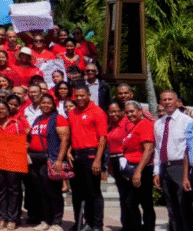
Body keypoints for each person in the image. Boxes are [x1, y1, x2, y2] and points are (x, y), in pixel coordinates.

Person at [69, 84, 108, 231]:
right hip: (76, 156)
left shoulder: (97, 112)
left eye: (82, 95)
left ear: (88, 95)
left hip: (91, 155)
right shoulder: (72, 113)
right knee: (77, 193)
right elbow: (72, 134)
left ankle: (97, 225)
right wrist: (68, 151)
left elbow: (103, 138)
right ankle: (82, 222)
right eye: (76, 96)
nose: (79, 98)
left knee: (93, 192)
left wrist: (98, 160)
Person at [27, 93, 69, 231]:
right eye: (43, 103)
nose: (45, 105)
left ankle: (57, 222)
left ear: (53, 105)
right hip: (35, 160)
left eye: (48, 103)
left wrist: (59, 160)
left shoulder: (58, 119)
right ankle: (46, 220)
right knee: (42, 192)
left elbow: (64, 140)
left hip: (49, 159)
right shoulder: (38, 119)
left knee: (53, 192)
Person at [154, 90, 193, 231]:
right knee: (171, 207)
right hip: (165, 168)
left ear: (177, 101)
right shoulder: (158, 124)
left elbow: (189, 148)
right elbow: (158, 149)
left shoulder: (187, 121)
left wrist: (186, 174)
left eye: (170, 99)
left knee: (184, 206)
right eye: (164, 100)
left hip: (181, 167)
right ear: (161, 103)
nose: (167, 102)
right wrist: (156, 172)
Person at [115, 100, 155, 231]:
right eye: (127, 112)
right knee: (134, 203)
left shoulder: (144, 124)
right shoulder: (133, 126)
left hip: (141, 169)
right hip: (132, 169)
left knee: (140, 203)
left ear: (139, 111)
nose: (130, 114)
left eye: (132, 111)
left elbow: (148, 149)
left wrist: (138, 172)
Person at [0, 97, 29, 230]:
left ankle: (13, 218)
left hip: (14, 161)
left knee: (14, 190)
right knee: (1, 190)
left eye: (3, 109)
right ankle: (2, 217)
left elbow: (25, 141)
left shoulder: (16, 123)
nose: (1, 111)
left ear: (8, 110)